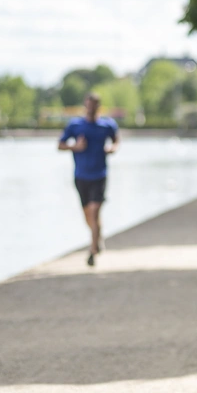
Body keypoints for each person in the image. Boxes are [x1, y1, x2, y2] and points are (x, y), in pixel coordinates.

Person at [58, 93, 119, 266]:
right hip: (81, 176)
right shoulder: (75, 125)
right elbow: (60, 144)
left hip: (99, 175)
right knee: (88, 215)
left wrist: (113, 148)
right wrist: (74, 147)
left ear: (98, 107)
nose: (91, 109)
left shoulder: (107, 125)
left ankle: (92, 250)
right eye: (88, 106)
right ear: (85, 106)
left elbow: (116, 140)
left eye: (94, 106)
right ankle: (97, 237)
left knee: (94, 210)